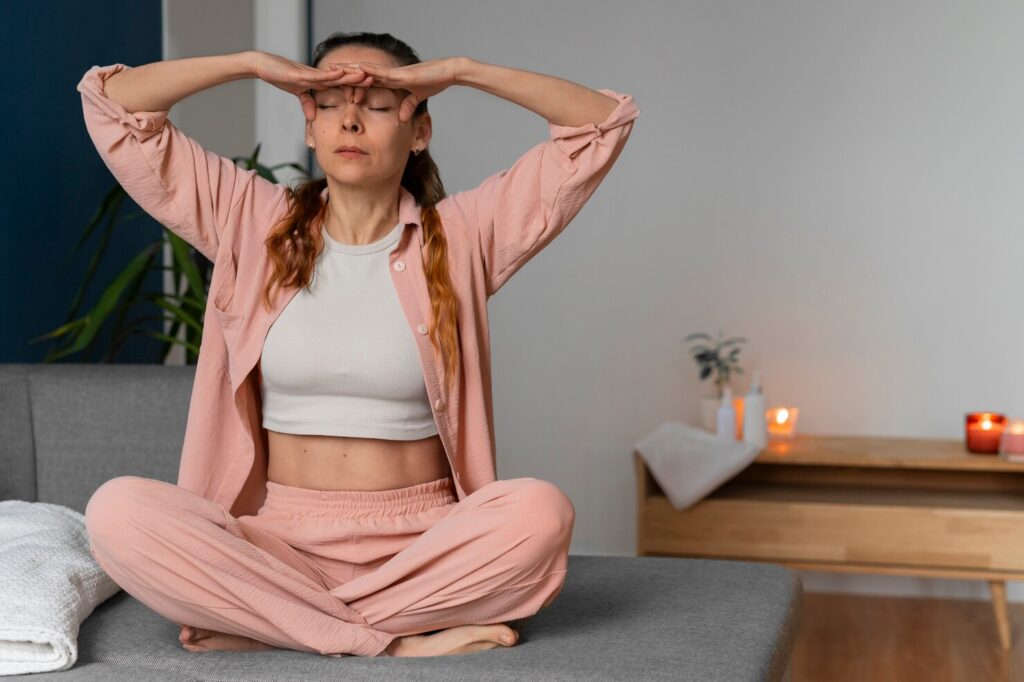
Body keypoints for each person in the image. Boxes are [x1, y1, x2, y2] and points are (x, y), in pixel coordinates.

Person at [80, 31, 639, 658]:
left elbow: (601, 122)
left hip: (424, 545)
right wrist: (252, 64)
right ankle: (393, 640)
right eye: (328, 101)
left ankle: (280, 625)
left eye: (378, 103)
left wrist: (458, 71)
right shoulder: (248, 220)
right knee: (116, 512)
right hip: (278, 546)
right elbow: (114, 105)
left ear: (418, 129)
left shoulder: (461, 235)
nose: (350, 118)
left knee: (542, 513)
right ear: (310, 124)